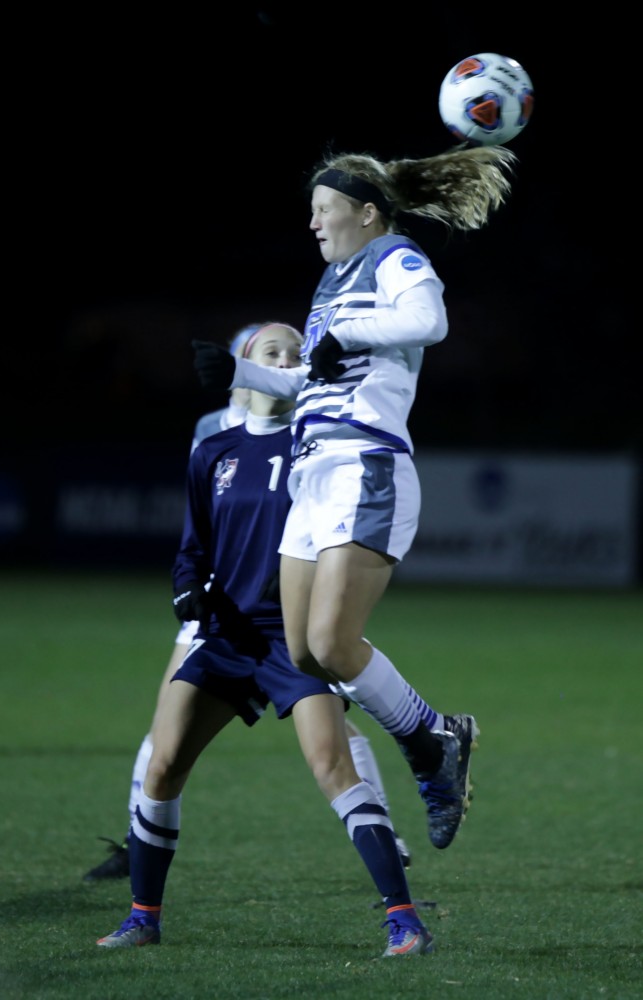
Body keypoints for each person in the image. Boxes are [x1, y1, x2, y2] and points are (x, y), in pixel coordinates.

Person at [192, 146, 515, 849]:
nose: (312, 222)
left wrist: (344, 331)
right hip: (314, 472)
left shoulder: (393, 256)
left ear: (365, 213)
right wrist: (243, 373)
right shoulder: (333, 280)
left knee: (333, 643)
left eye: (322, 208)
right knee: (306, 654)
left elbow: (429, 321)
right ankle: (435, 735)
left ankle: (432, 740)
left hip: (362, 465)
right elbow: (315, 376)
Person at [96, 323, 432, 958]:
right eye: (272, 352)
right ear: (244, 369)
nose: (287, 360)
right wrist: (185, 591)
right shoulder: (213, 451)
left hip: (295, 639)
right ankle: (143, 918)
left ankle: (405, 920)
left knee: (333, 767)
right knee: (162, 765)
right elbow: (191, 551)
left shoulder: (321, 450)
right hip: (226, 635)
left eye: (296, 353)